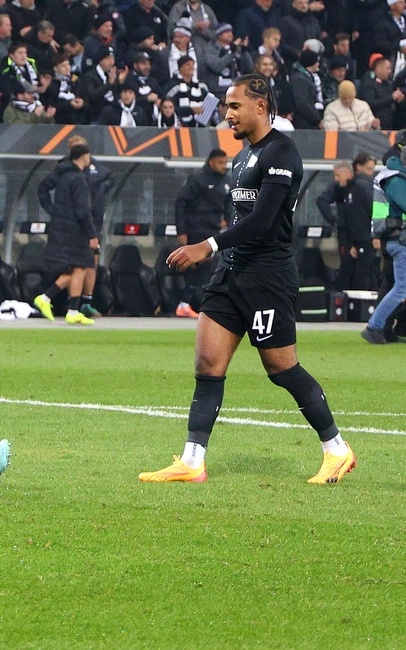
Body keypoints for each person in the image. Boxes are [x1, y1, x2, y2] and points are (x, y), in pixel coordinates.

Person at [140, 74, 354, 485]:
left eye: (234, 106)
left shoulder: (282, 152)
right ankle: (192, 461)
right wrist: (221, 253)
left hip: (267, 276)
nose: (227, 114)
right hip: (231, 273)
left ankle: (337, 449)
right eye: (225, 106)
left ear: (260, 105)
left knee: (281, 367)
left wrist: (207, 245)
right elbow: (240, 219)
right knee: (207, 362)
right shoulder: (241, 157)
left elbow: (262, 221)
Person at [33, 143, 97, 325]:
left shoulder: (62, 174)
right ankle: (71, 309)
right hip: (75, 230)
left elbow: (42, 189)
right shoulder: (79, 179)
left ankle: (47, 299)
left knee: (74, 269)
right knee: (81, 266)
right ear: (84, 156)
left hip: (61, 228)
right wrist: (92, 235)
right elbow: (83, 211)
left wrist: (54, 211)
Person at [172, 148, 231, 318]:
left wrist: (227, 219)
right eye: (220, 163)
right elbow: (181, 202)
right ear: (211, 162)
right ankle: (185, 303)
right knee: (197, 266)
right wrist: (181, 231)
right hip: (196, 229)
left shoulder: (226, 181)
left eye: (225, 163)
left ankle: (192, 303)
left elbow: (229, 202)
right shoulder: (198, 179)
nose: (223, 166)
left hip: (213, 231)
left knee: (207, 268)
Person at [362, 147, 406, 344]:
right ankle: (374, 326)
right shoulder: (396, 181)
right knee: (401, 289)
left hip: (395, 239)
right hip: (400, 241)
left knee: (397, 288)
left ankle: (382, 327)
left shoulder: (392, 177)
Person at [315, 160, 354, 290]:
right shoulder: (337, 188)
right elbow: (321, 200)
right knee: (346, 267)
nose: (335, 179)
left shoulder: (359, 186)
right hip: (345, 234)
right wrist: (334, 220)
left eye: (338, 175)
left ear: (347, 173)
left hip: (358, 232)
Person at [342, 153, 378, 291]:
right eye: (369, 169)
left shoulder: (351, 187)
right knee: (365, 273)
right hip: (365, 238)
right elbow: (372, 211)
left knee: (363, 273)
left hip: (359, 239)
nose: (371, 173)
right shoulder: (365, 187)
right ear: (359, 167)